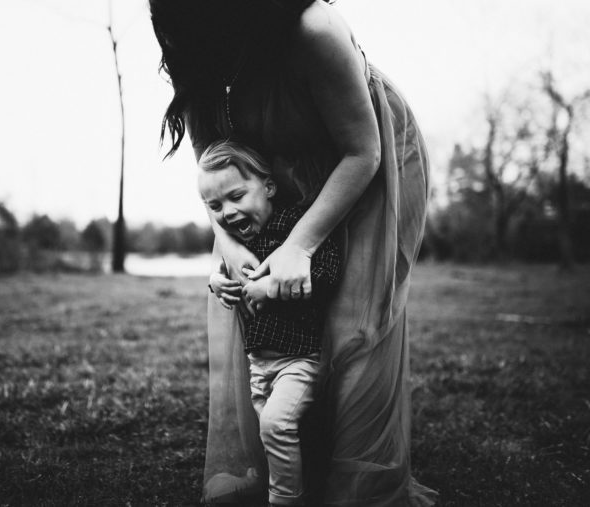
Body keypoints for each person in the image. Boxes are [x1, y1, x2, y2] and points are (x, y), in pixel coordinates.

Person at [150, 0, 438, 505]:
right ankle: (285, 471)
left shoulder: (313, 28)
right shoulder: (196, 58)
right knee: (266, 305)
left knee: (350, 320)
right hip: (283, 170)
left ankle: (356, 486)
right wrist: (230, 246)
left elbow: (363, 152)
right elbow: (212, 172)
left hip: (369, 161)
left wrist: (300, 245)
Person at [199, 140, 341, 505]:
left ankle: (284, 499)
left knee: (277, 425)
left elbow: (326, 275)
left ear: (269, 187)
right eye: (215, 206)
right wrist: (216, 282)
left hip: (299, 359)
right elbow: (221, 271)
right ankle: (293, 484)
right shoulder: (240, 243)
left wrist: (270, 288)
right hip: (259, 364)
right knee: (274, 433)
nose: (227, 212)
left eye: (236, 196)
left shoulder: (295, 228)